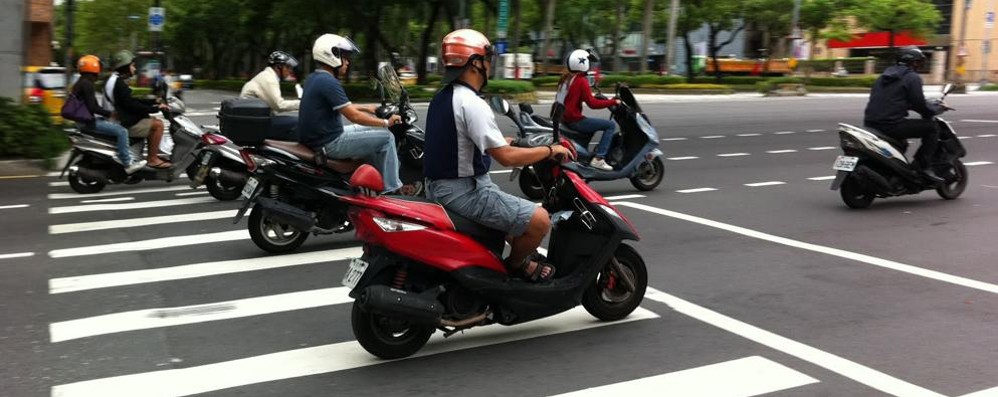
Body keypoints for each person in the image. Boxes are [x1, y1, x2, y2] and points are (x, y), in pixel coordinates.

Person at [423, 29, 574, 282]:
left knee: (515, 224)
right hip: (464, 191)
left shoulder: (443, 97)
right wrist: (550, 150)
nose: (489, 64)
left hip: (442, 187)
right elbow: (506, 158)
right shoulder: (471, 103)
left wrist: (514, 142)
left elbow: (464, 141)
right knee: (539, 220)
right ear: (475, 64)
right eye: (487, 59)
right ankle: (514, 267)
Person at [297, 34, 403, 193]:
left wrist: (368, 108)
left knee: (365, 129)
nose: (347, 62)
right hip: (330, 142)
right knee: (387, 138)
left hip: (320, 136)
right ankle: (392, 190)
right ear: (332, 55)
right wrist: (386, 123)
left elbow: (345, 107)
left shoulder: (314, 77)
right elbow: (353, 116)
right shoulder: (328, 82)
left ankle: (375, 176)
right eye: (344, 57)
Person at [864, 46, 945, 182]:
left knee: (904, 138)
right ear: (914, 63)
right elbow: (919, 104)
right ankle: (922, 167)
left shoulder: (883, 77)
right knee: (932, 128)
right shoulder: (912, 77)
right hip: (891, 125)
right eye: (919, 62)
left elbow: (895, 100)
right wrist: (935, 109)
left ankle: (894, 168)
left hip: (870, 123)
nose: (919, 65)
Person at [72, 55, 146, 173]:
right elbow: (92, 107)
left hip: (82, 122)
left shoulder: (79, 83)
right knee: (122, 131)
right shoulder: (87, 85)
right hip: (89, 123)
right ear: (93, 67)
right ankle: (127, 163)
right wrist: (110, 113)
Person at [104, 50, 172, 169]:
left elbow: (131, 101)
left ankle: (139, 154)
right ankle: (152, 159)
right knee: (158, 125)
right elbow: (131, 105)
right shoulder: (118, 84)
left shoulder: (115, 80)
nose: (135, 68)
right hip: (121, 122)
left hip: (119, 118)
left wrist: (153, 102)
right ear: (125, 66)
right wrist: (154, 108)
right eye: (132, 65)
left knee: (150, 119)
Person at [556, 49, 621, 171]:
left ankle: (584, 156)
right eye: (589, 63)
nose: (590, 66)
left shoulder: (566, 78)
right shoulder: (581, 81)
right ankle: (599, 158)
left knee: (593, 125)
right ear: (582, 63)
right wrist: (614, 101)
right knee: (610, 125)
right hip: (574, 120)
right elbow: (592, 104)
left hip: (563, 118)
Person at [241, 51, 301, 141]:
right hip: (255, 124)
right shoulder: (269, 79)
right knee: (300, 124)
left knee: (293, 122)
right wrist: (303, 103)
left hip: (256, 120)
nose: (290, 71)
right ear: (278, 67)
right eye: (288, 67)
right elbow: (279, 105)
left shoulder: (267, 76)